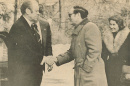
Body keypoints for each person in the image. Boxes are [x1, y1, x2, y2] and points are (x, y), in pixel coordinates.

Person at [47, 6, 107, 86]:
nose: (68, 18)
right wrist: (56, 59)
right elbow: (72, 52)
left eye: (70, 15)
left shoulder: (90, 27)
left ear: (78, 15)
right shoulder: (79, 29)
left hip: (91, 75)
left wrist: (85, 68)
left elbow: (95, 50)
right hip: (82, 74)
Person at [7, 0, 52, 86]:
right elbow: (25, 51)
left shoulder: (31, 25)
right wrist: (45, 59)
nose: (39, 13)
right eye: (36, 11)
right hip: (22, 75)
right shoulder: (18, 27)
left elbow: (44, 45)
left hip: (35, 72)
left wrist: (49, 56)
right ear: (28, 11)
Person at [101, 15, 130, 86]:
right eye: (110, 24)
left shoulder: (127, 35)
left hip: (123, 66)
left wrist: (128, 70)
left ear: (119, 25)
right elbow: (103, 53)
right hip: (110, 66)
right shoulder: (107, 36)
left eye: (114, 24)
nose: (111, 26)